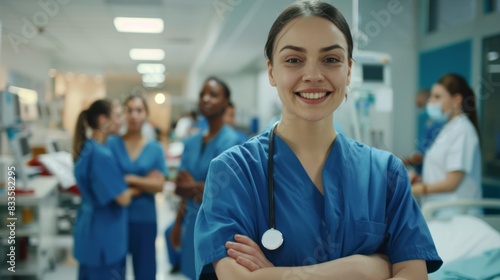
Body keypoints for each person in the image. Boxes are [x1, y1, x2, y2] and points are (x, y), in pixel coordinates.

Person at [194, 1, 442, 279]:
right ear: (272, 72)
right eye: (294, 60)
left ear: (348, 70)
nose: (313, 76)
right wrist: (364, 267)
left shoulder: (386, 173)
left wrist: (278, 274)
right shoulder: (234, 172)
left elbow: (414, 273)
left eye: (331, 59)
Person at [173, 76, 245, 279]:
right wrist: (178, 224)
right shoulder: (191, 142)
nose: (206, 98)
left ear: (226, 103)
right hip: (192, 224)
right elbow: (179, 188)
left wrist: (195, 187)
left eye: (213, 95)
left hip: (221, 229)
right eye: (202, 94)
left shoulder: (234, 142)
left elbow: (225, 192)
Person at [106, 94, 168, 280]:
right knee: (115, 272)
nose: (134, 115)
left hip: (145, 219)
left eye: (139, 110)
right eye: (129, 110)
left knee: (146, 272)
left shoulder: (155, 148)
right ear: (123, 114)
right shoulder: (112, 144)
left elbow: (159, 185)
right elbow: (109, 182)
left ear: (146, 115)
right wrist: (144, 182)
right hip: (116, 218)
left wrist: (129, 178)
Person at [72, 99, 134, 280]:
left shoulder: (88, 148)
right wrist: (136, 189)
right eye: (117, 115)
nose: (122, 120)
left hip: (89, 236)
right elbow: (123, 199)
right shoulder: (102, 155)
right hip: (104, 240)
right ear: (103, 120)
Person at [411, 73, 482, 215]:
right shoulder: (448, 128)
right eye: (431, 96)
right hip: (441, 212)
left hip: (456, 216)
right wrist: (422, 179)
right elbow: (442, 172)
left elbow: (451, 183)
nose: (430, 101)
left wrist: (415, 189)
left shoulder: (463, 130)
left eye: (437, 97)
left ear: (456, 100)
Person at [402, 89, 444, 175]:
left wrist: (404, 161)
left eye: (421, 105)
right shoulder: (429, 124)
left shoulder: (438, 125)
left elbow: (428, 155)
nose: (420, 110)